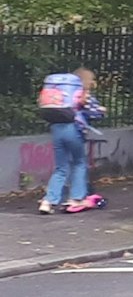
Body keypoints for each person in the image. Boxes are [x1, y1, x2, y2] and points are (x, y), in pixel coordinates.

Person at [37, 66, 103, 215]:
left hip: (56, 129)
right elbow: (94, 113)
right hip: (73, 130)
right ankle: (76, 199)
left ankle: (48, 201)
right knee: (79, 163)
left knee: (60, 168)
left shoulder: (61, 93)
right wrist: (101, 111)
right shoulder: (83, 94)